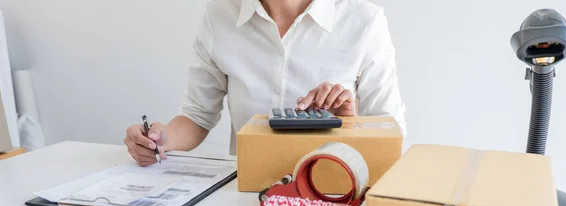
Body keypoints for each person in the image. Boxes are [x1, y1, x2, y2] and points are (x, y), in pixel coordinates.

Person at [124, 0, 407, 167]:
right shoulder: (221, 15)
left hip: (334, 197)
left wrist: (349, 124)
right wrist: (160, 141)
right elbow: (197, 116)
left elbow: (392, 134)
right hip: (244, 195)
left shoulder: (364, 21)